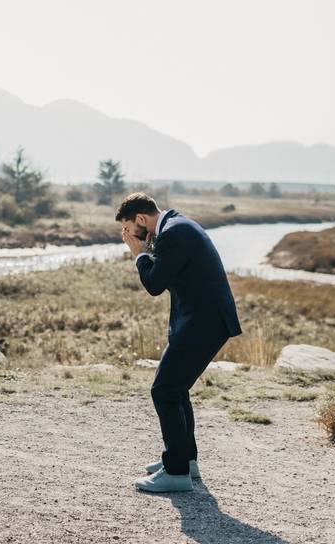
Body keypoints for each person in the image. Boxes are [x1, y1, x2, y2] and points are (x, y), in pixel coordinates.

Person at [117, 192, 242, 492]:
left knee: (164, 390)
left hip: (205, 323)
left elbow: (154, 284)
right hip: (203, 321)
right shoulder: (176, 226)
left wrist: (138, 253)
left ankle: (175, 473)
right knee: (176, 389)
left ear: (141, 220)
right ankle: (185, 461)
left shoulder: (174, 233)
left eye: (128, 229)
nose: (128, 236)